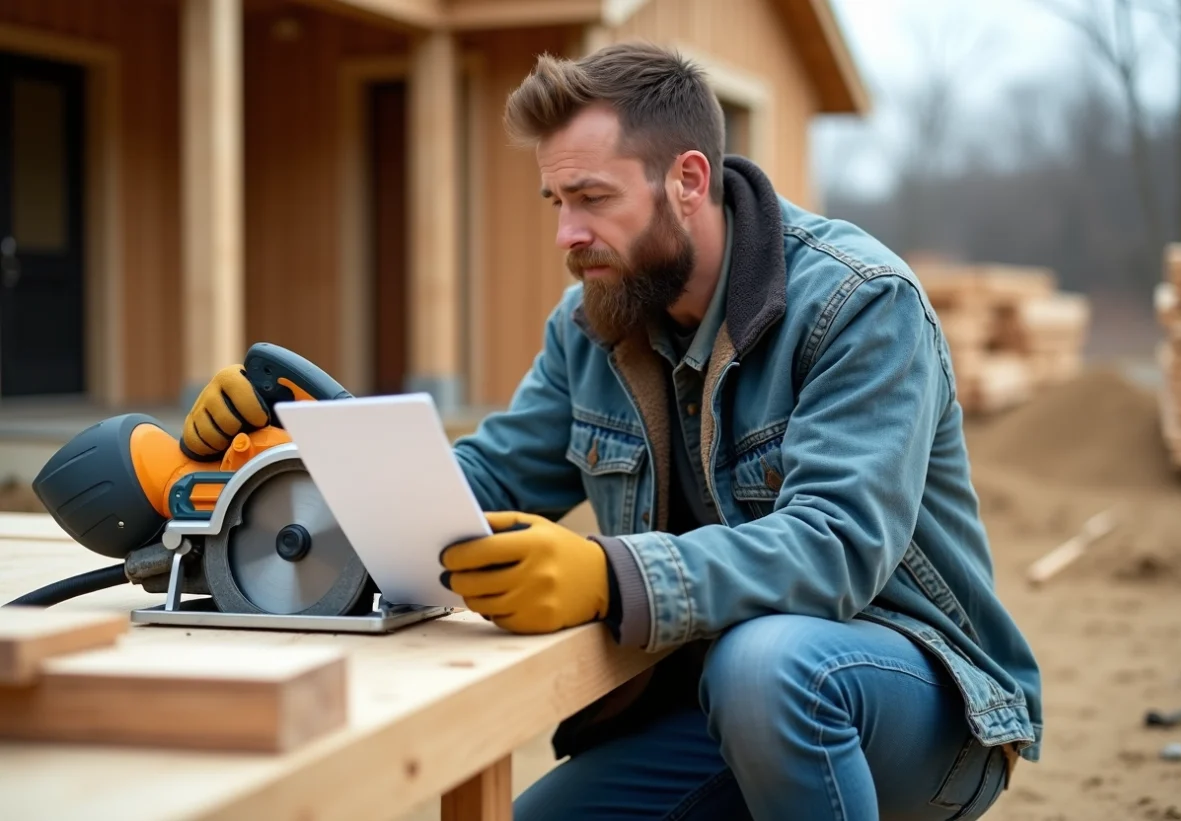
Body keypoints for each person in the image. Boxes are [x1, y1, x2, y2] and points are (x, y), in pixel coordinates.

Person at [183, 41, 1041, 821]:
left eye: (593, 198)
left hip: (922, 706)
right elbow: (485, 478)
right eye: (556, 200)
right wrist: (295, 450)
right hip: (710, 709)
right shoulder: (592, 320)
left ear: (689, 180)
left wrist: (609, 572)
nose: (567, 234)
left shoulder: (859, 304)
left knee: (768, 664)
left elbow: (837, 546)